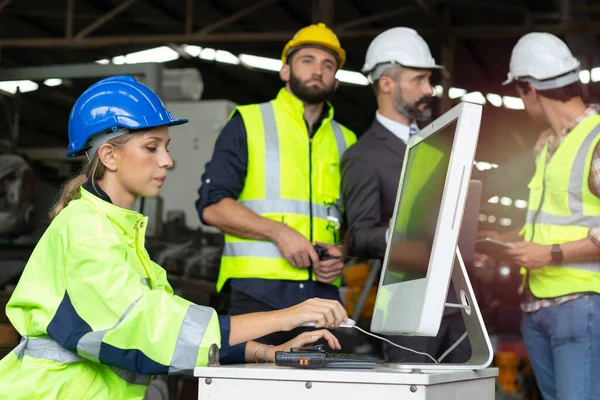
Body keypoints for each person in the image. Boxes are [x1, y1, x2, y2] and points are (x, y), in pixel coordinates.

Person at [0, 76, 348, 400]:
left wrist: (269, 351)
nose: (167, 160)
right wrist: (287, 317)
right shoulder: (87, 230)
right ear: (109, 156)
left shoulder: (120, 232)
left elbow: (180, 333)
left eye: (166, 147)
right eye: (152, 147)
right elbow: (153, 329)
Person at [196, 23, 357, 345]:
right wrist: (279, 233)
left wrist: (344, 252)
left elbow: (354, 219)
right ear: (285, 71)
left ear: (336, 81)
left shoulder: (347, 140)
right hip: (257, 294)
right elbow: (212, 207)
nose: (318, 70)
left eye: (328, 65)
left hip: (323, 298)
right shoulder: (249, 121)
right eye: (307, 60)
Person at [341, 27, 470, 363]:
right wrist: (397, 236)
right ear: (386, 82)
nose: (429, 89)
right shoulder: (363, 156)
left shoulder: (440, 144)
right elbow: (359, 236)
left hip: (460, 302)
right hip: (407, 305)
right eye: (419, 80)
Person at [499, 32, 600, 400]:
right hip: (537, 308)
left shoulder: (597, 140)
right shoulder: (548, 146)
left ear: (529, 89)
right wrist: (498, 244)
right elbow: (544, 224)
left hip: (582, 305)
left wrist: (551, 255)